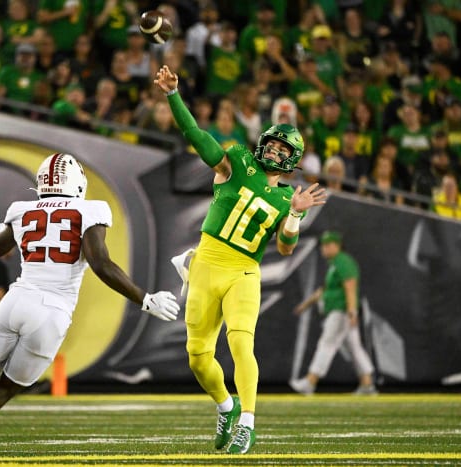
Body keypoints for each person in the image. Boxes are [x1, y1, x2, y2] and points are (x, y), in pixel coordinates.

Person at [0, 153, 179, 458]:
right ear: (77, 182)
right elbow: (101, 264)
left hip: (16, 300)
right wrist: (144, 299)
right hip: (52, 310)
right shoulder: (90, 210)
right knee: (5, 389)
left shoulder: (22, 211)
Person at [155, 65, 327, 454]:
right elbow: (197, 137)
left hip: (244, 272)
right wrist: (172, 96)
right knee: (198, 358)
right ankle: (226, 406)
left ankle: (247, 422)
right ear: (264, 142)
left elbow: (285, 248)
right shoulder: (236, 162)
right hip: (205, 266)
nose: (276, 151)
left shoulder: (287, 198)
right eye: (274, 144)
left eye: (285, 150)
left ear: (293, 160)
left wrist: (296, 215)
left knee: (240, 344)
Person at [290, 230, 377, 396]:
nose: (324, 248)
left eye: (328, 245)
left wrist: (351, 310)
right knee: (355, 348)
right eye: (323, 245)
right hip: (341, 311)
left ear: (338, 246)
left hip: (341, 311)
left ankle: (310, 381)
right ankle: (367, 384)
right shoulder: (335, 263)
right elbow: (324, 290)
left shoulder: (342, 261)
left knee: (327, 344)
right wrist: (305, 305)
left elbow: (350, 285)